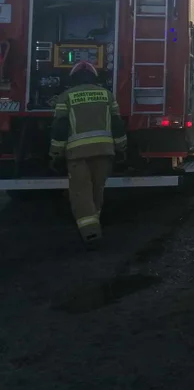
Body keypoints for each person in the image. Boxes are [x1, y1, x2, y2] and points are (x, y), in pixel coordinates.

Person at [49, 61, 127, 249]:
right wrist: (122, 148)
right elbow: (117, 125)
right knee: (96, 192)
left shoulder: (66, 97)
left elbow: (60, 128)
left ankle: (91, 234)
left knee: (81, 194)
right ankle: (93, 226)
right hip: (104, 152)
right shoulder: (107, 95)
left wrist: (56, 154)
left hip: (78, 154)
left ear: (73, 78)